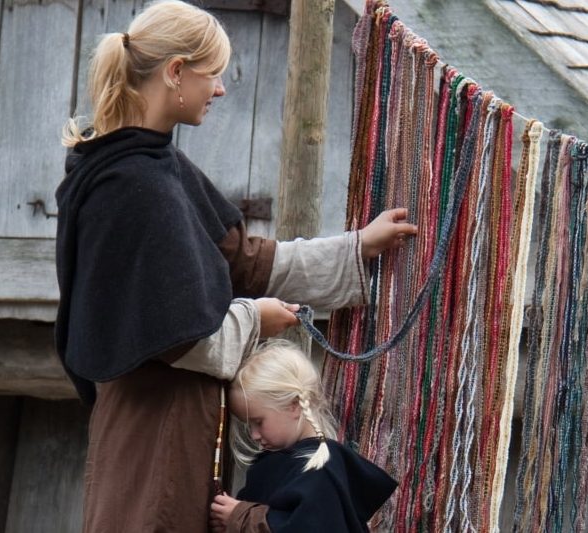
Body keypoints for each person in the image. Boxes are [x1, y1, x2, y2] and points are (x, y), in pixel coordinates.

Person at [53, 1, 417, 531]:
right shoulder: (131, 186)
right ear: (176, 72)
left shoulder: (162, 167)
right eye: (213, 75)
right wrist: (255, 320)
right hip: (152, 434)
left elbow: (243, 262)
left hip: (178, 426)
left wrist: (357, 247)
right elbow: (174, 337)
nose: (220, 89)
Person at [209, 340, 398, 532]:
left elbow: (307, 526)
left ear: (293, 406)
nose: (254, 435)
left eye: (258, 422)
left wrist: (242, 517)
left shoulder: (320, 469)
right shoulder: (276, 464)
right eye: (248, 425)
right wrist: (230, 522)